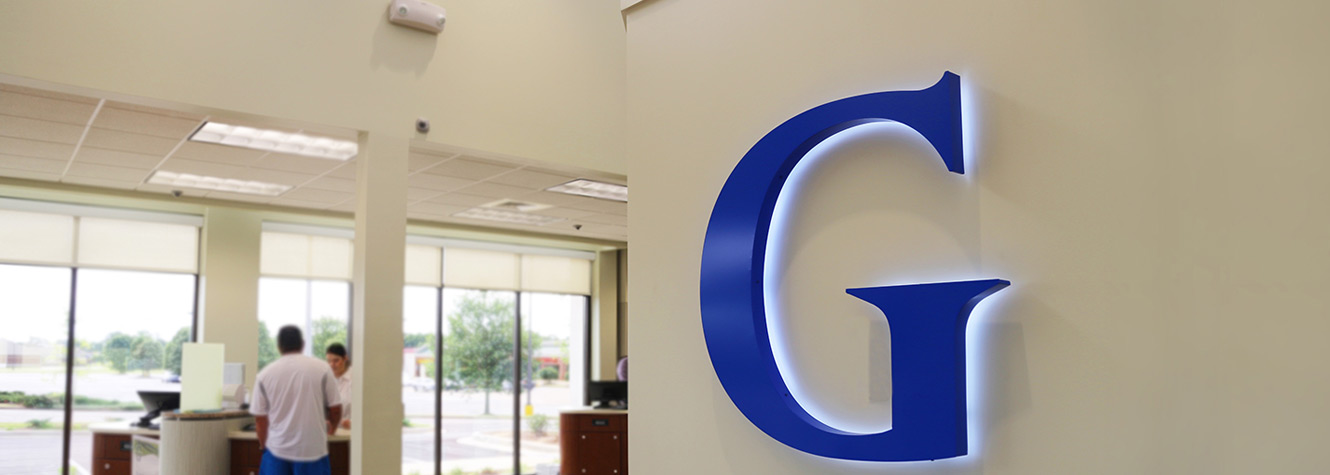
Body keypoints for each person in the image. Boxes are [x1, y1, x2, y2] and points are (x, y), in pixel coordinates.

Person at [251, 325, 341, 475]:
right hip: (312, 450)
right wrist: (331, 430)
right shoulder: (323, 369)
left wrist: (263, 446)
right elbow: (335, 409)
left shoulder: (265, 375)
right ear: (302, 344)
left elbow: (260, 420)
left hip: (277, 450)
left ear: (279, 346)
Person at [324, 342, 352, 429]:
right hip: (330, 433)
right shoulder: (326, 379)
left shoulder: (356, 378)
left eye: (336, 360)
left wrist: (352, 422)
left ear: (345, 358)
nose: (332, 365)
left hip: (350, 433)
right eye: (329, 361)